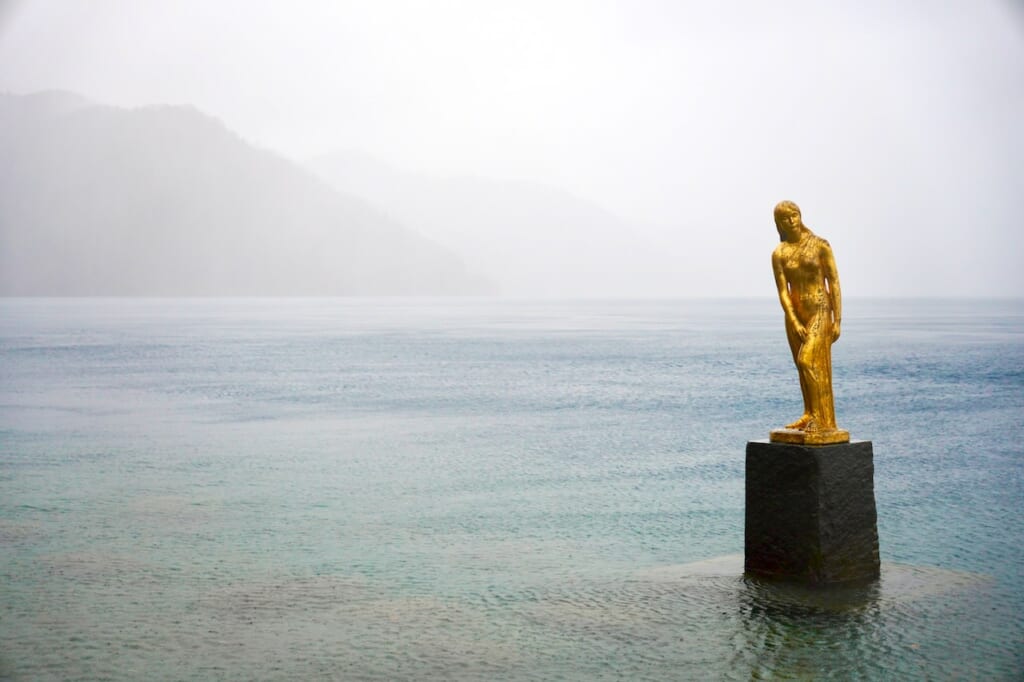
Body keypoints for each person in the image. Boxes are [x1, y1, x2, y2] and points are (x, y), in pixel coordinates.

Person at [770, 200, 848, 443]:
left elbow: (833, 281)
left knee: (807, 361)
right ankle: (809, 413)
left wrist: (838, 319)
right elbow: (783, 291)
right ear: (779, 224)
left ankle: (820, 417)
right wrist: (793, 319)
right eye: (785, 218)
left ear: (800, 215)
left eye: (793, 215)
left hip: (820, 310)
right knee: (801, 368)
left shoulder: (820, 245)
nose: (791, 220)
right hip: (795, 315)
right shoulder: (779, 253)